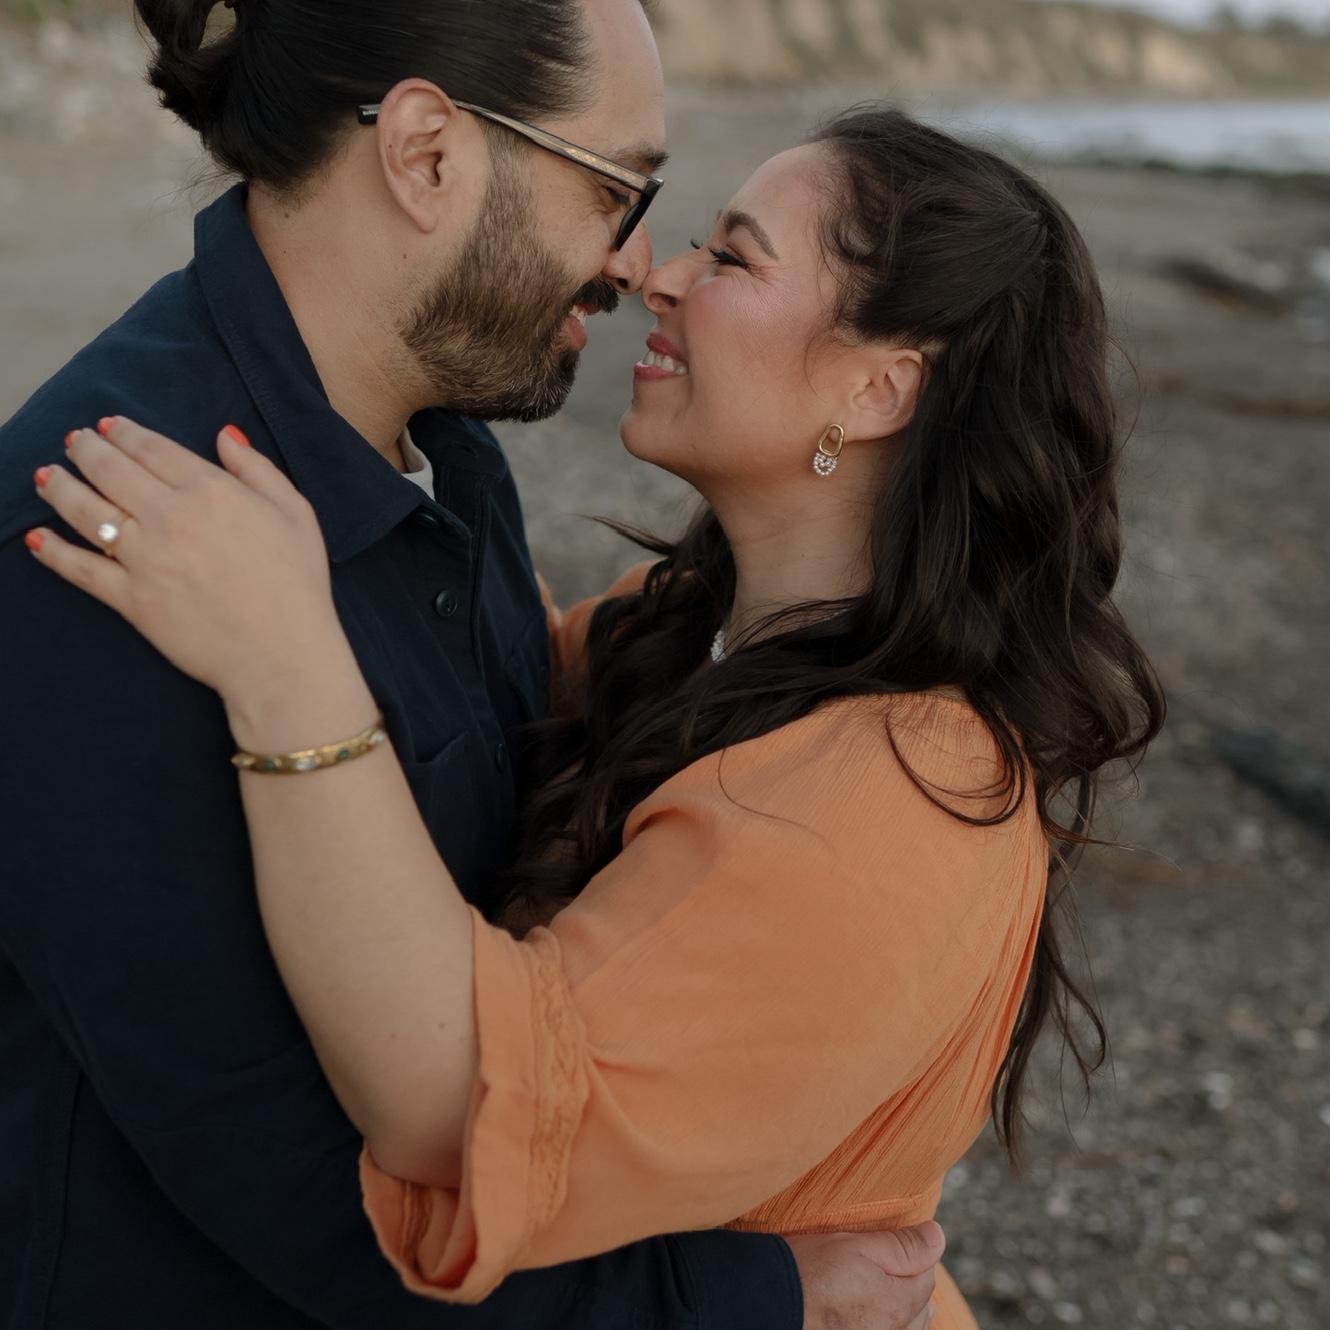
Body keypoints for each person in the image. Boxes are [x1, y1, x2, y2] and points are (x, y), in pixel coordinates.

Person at [22, 106, 1165, 1329]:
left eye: (731, 257)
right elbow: (466, 718)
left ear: (878, 388)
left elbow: (460, 1106)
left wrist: (288, 667)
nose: (659, 274)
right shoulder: (674, 625)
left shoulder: (901, 789)